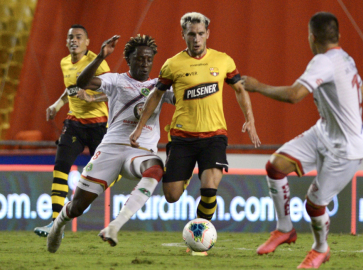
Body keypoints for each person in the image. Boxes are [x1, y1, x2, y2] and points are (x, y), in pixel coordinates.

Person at [129, 12, 261, 256]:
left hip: (214, 136)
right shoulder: (172, 64)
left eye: (201, 34)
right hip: (183, 139)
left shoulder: (223, 61)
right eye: (191, 34)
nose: (197, 38)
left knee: (210, 186)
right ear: (183, 35)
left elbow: (240, 90)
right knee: (171, 196)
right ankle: (185, 175)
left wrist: (250, 120)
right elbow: (156, 95)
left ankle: (200, 239)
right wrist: (139, 127)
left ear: (208, 34)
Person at [243, 12, 363, 269]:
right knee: (275, 166)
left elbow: (293, 95)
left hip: (345, 149)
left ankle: (320, 249)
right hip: (324, 131)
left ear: (311, 37)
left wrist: (257, 86)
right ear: (337, 36)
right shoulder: (345, 57)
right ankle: (285, 229)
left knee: (314, 204)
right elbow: (362, 92)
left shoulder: (323, 61)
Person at [46, 33, 174, 253]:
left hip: (139, 151)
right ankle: (57, 226)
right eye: (139, 59)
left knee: (155, 168)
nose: (144, 63)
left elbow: (186, 98)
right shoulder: (115, 80)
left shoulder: (159, 86)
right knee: (78, 207)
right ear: (129, 60)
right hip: (111, 148)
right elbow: (82, 83)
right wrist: (100, 57)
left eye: (148, 59)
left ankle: (114, 226)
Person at [34, 24, 111, 237]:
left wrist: (92, 97)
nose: (73, 40)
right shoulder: (64, 62)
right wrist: (57, 106)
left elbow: (113, 91)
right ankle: (55, 225)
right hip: (75, 123)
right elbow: (71, 88)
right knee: (61, 165)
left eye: (78, 37)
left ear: (87, 42)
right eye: (70, 37)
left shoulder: (97, 62)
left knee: (107, 173)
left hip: (99, 125)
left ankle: (82, 198)